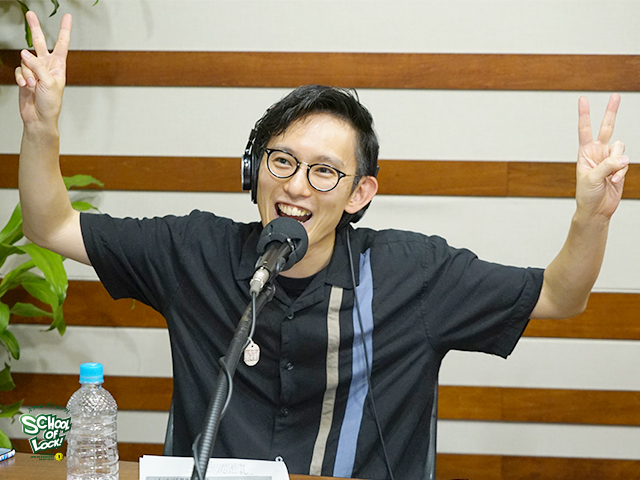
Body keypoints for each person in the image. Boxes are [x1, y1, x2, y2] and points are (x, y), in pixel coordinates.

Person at [14, 11, 629, 480]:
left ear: (360, 193)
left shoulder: (412, 273)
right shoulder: (193, 251)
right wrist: (41, 127)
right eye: (281, 160)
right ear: (253, 170)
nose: (296, 186)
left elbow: (561, 295)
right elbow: (52, 227)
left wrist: (591, 218)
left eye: (324, 171)